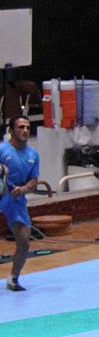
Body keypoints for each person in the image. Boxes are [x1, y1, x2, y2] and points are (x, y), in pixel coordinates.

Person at [0, 116, 39, 291]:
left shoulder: (33, 155)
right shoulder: (2, 150)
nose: (25, 130)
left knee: (24, 241)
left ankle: (13, 279)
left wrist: (23, 189)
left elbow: (33, 181)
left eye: (28, 128)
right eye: (21, 127)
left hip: (16, 200)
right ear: (11, 131)